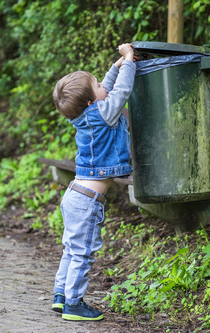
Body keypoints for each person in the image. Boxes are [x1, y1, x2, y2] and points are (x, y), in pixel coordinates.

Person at [50, 43, 136, 321]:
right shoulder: (103, 113)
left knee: (71, 250)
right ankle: (74, 305)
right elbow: (120, 92)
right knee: (83, 254)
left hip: (75, 195)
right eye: (98, 84)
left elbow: (105, 91)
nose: (104, 86)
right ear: (91, 101)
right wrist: (130, 61)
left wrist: (115, 67)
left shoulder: (86, 115)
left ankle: (61, 295)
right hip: (86, 202)